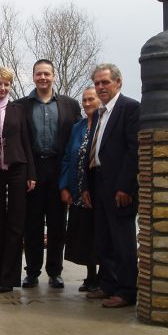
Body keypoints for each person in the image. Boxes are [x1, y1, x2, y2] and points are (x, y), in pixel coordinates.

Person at [17, 59, 81, 289]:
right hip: (32, 170)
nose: (43, 77)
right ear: (33, 76)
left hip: (59, 169)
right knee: (32, 225)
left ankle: (55, 272)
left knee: (57, 225)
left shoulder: (70, 105)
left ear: (53, 76)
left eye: (47, 74)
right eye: (39, 74)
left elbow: (77, 138)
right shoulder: (20, 106)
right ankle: (32, 272)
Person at [82, 63, 139, 308]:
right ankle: (108, 285)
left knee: (122, 240)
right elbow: (93, 151)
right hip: (98, 182)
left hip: (119, 185)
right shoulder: (99, 113)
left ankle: (126, 291)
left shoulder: (130, 108)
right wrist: (86, 185)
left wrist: (125, 186)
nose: (101, 87)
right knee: (103, 238)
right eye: (97, 83)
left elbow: (134, 150)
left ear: (118, 82)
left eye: (105, 82)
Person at [0, 67, 36, 293]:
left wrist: (31, 174)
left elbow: (26, 141)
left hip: (17, 168)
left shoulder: (18, 110)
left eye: (6, 84)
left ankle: (10, 278)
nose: (2, 88)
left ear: (10, 86)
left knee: (15, 223)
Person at [59, 86, 101, 292]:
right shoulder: (78, 127)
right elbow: (67, 157)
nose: (86, 104)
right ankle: (91, 276)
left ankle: (104, 277)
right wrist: (64, 186)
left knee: (99, 233)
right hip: (77, 190)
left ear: (100, 101)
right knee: (84, 234)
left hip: (98, 190)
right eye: (84, 100)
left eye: (91, 99)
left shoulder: (105, 124)